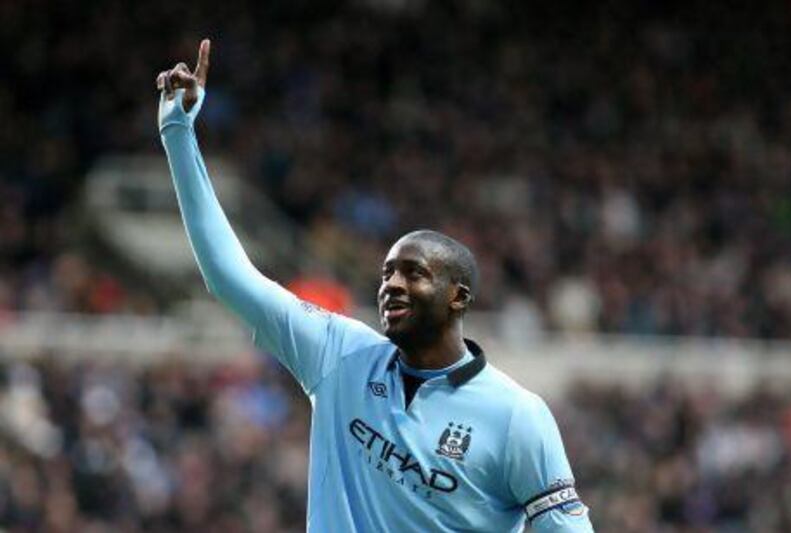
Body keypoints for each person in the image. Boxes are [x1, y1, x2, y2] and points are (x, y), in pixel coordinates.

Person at [156, 39, 594, 533]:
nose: (392, 285)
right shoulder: (340, 355)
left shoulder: (516, 416)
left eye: (415, 273)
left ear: (459, 297)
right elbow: (229, 276)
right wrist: (178, 130)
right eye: (387, 272)